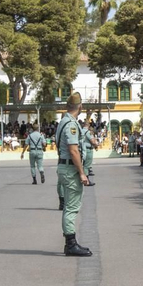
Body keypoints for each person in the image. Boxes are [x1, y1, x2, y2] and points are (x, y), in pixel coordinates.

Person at [54, 93, 94, 257]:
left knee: (69, 207)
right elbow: (73, 150)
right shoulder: (70, 124)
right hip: (70, 169)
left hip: (64, 167)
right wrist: (82, 173)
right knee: (71, 208)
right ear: (80, 106)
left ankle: (70, 242)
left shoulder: (63, 121)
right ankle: (70, 244)